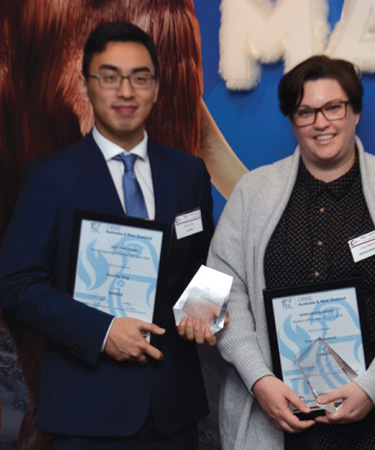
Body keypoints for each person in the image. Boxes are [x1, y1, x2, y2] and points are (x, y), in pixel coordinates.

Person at [207, 55, 375, 449]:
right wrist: (259, 380)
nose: (321, 122)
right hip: (274, 417)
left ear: (355, 111)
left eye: (333, 107)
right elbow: (224, 291)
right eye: (305, 111)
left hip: (372, 422)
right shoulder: (253, 192)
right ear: (291, 119)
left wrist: (371, 386)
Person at [0, 22, 215, 448]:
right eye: (110, 77)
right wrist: (102, 331)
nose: (126, 92)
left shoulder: (187, 173)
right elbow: (15, 284)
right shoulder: (51, 178)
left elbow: (206, 264)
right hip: (87, 411)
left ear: (156, 88)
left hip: (174, 410)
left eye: (140, 78)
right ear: (86, 85)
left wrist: (207, 307)